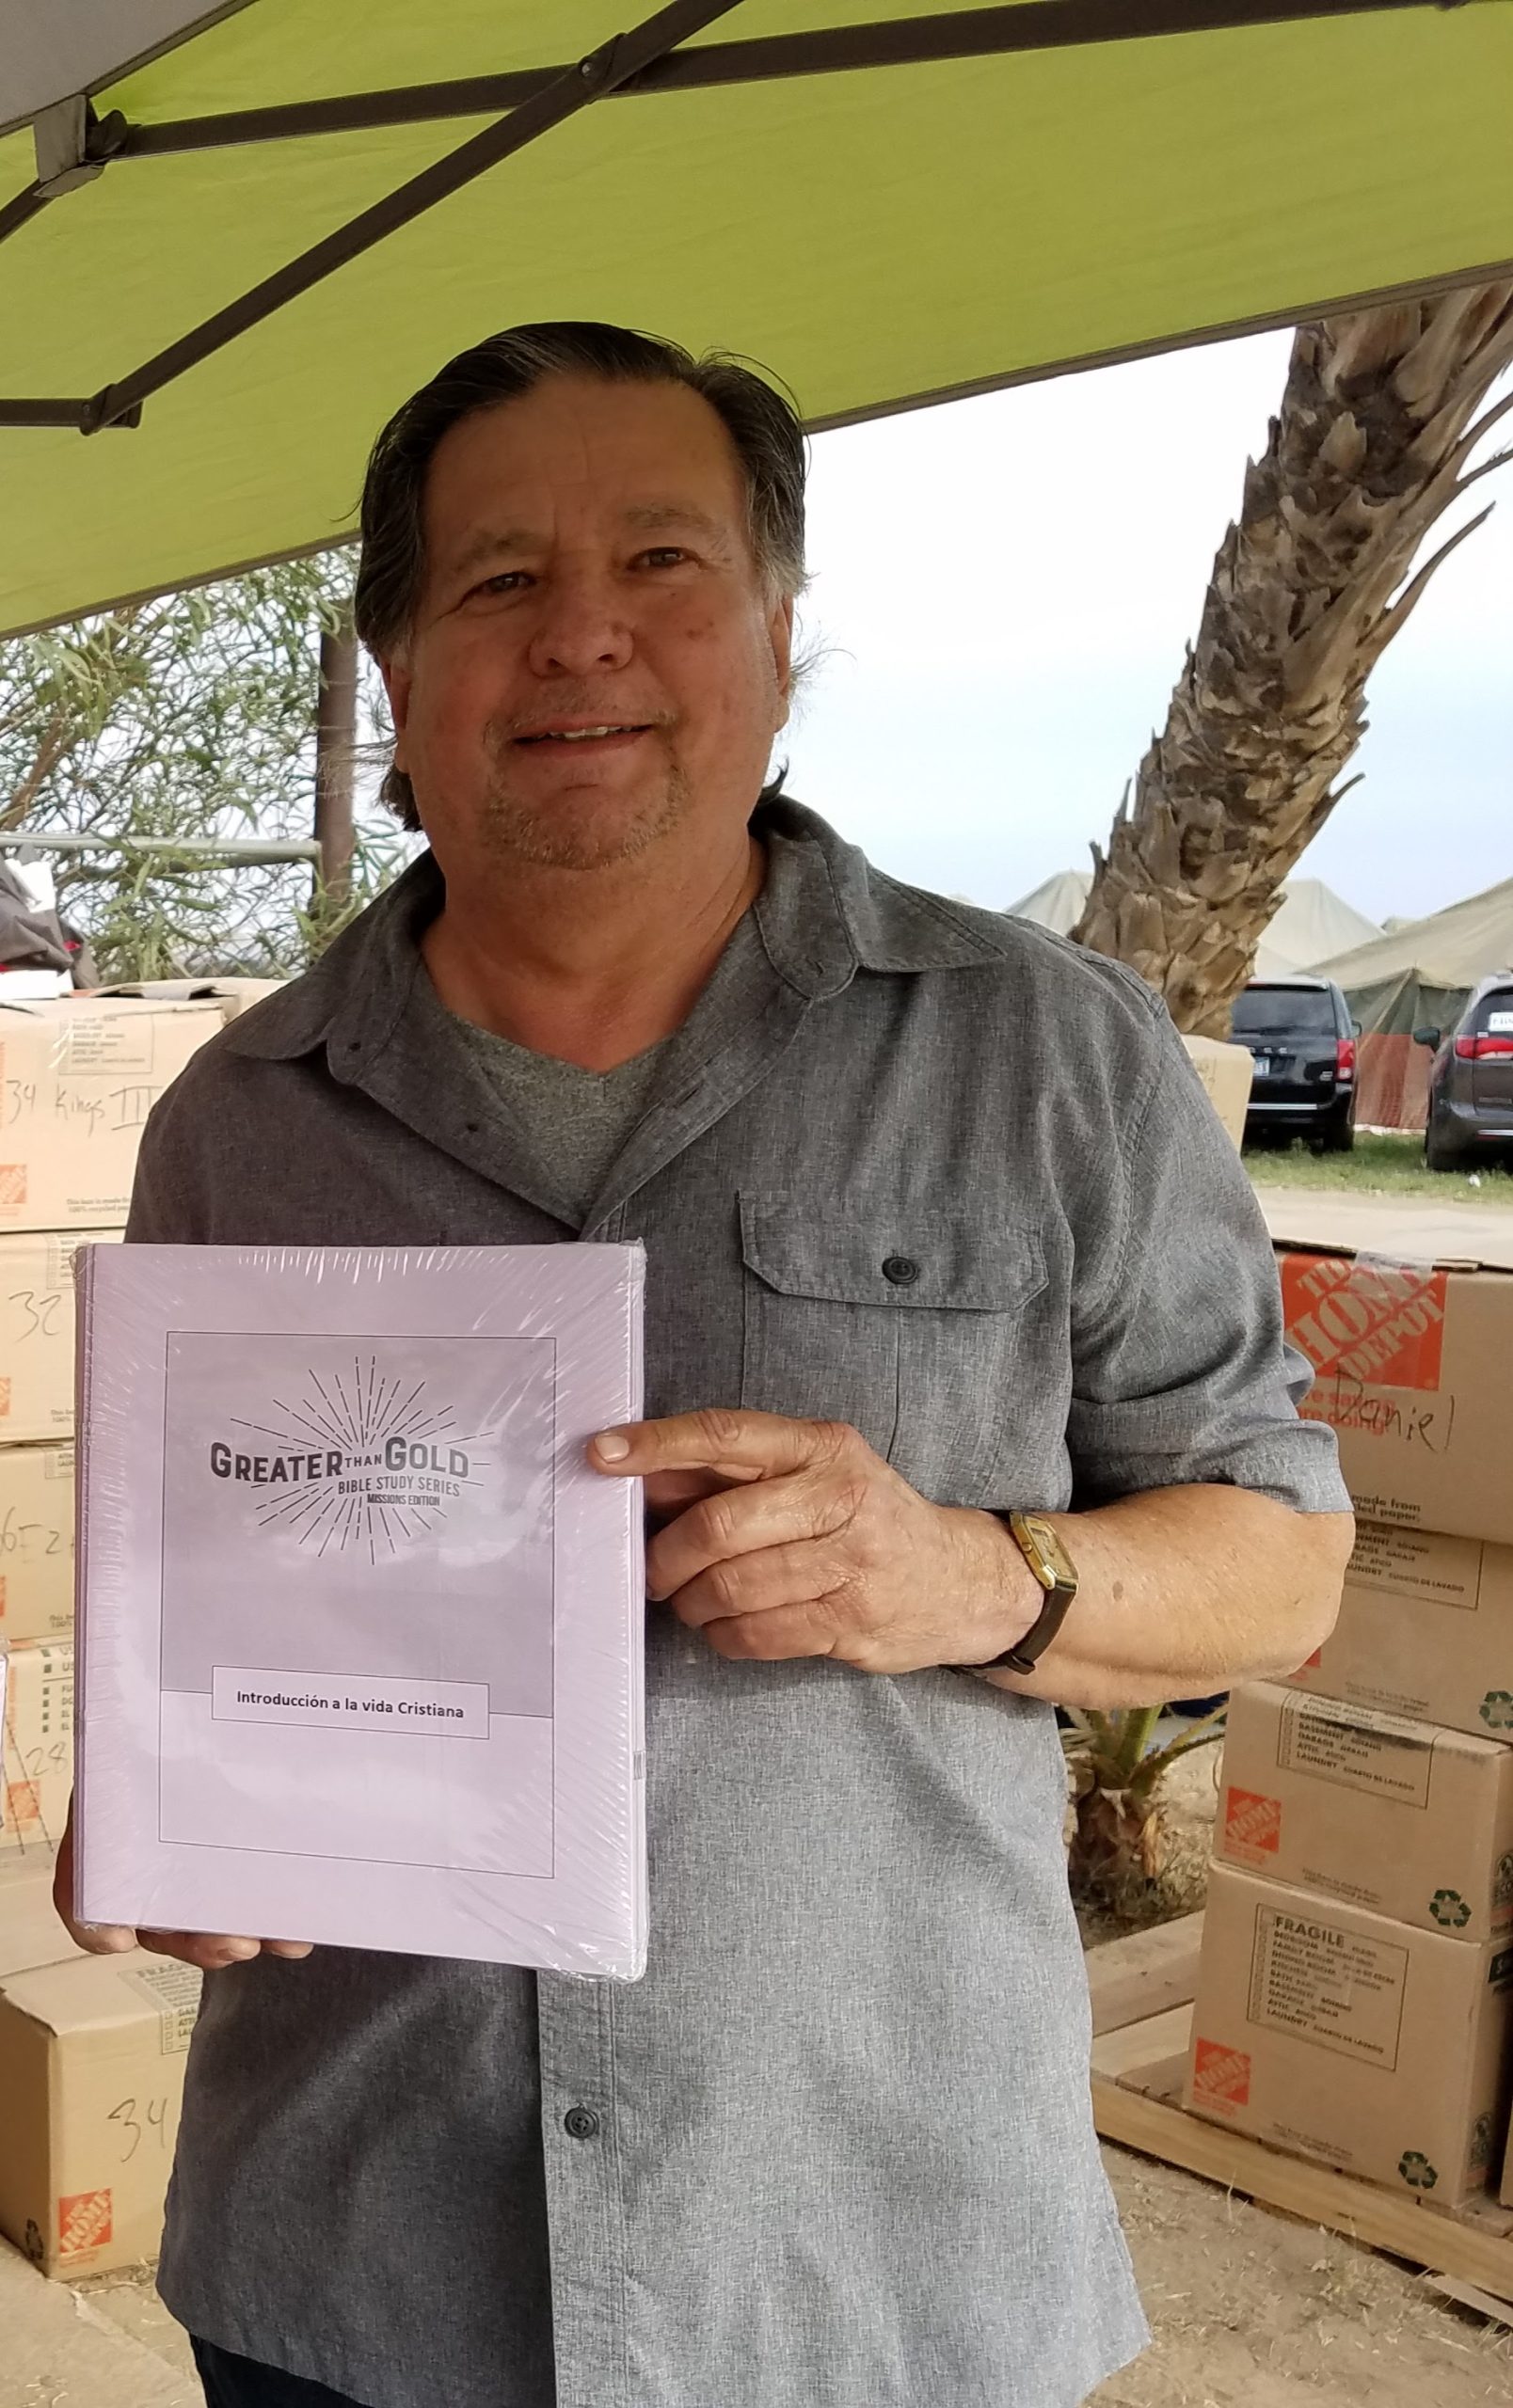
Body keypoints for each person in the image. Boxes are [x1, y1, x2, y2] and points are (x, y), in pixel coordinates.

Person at [57, 322, 1354, 2408]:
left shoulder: (1047, 1054)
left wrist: (972, 1571)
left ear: (774, 630)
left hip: (870, 2268)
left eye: (659, 561)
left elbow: (1284, 1562)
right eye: (499, 579)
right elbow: (195, 1611)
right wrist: (168, 1804)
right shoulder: (245, 1115)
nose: (582, 634)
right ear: (397, 665)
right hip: (360, 2261)